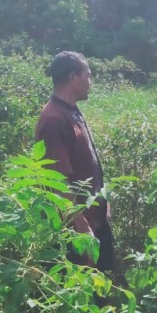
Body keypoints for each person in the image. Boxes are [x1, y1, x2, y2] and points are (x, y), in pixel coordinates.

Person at [35, 51, 113, 271]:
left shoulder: (71, 110)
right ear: (72, 78)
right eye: (87, 76)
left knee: (103, 280)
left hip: (94, 219)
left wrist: (103, 201)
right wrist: (81, 225)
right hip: (77, 229)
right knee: (84, 289)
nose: (90, 82)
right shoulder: (53, 119)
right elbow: (57, 182)